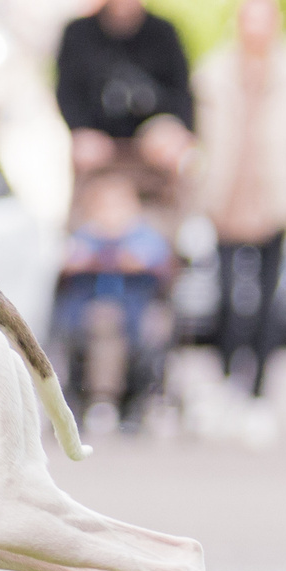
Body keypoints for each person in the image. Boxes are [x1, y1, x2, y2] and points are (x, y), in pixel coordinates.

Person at [189, 0, 286, 407]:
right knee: (223, 300)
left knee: (270, 303)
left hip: (276, 202)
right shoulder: (212, 73)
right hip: (225, 201)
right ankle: (225, 378)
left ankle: (257, 387)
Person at [55, 0, 195, 202]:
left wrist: (172, 130)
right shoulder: (78, 34)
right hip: (98, 146)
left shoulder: (165, 34)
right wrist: (80, 131)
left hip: (152, 145)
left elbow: (182, 92)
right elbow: (67, 92)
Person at [52, 165, 177, 429]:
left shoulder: (144, 235)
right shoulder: (86, 235)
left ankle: (142, 398)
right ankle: (102, 397)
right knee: (104, 322)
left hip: (137, 310)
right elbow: (67, 258)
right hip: (90, 312)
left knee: (149, 327)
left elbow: (156, 260)